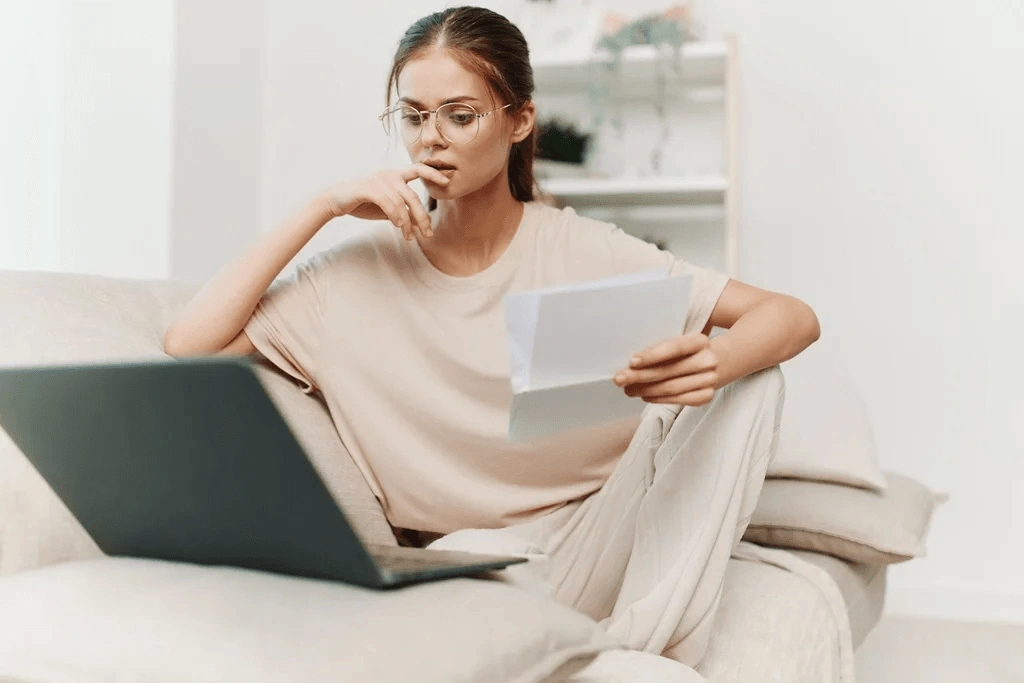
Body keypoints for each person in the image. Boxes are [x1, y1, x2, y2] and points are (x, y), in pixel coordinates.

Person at [164, 5, 820, 672]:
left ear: (519, 119)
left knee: (757, 376)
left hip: (598, 534)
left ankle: (633, 644)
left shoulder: (577, 246)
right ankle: (599, 645)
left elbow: (790, 315)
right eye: (415, 116)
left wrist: (718, 357)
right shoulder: (353, 275)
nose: (432, 139)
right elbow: (190, 345)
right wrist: (321, 207)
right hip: (470, 561)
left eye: (460, 114)